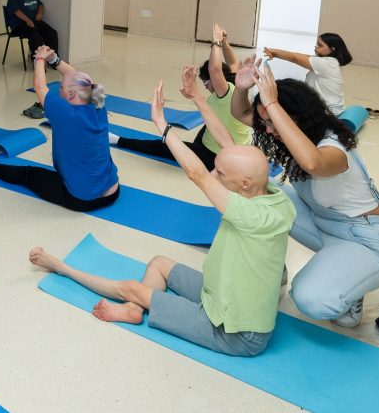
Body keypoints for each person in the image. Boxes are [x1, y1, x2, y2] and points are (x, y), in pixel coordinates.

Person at [29, 77, 295, 356]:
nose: (215, 175)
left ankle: (61, 267)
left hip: (235, 331)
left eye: (221, 173)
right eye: (216, 170)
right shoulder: (270, 193)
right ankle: (134, 312)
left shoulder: (253, 216)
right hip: (219, 292)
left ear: (243, 184)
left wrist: (162, 124)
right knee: (158, 264)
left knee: (132, 288)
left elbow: (198, 174)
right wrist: (199, 99)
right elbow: (227, 145)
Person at [231, 55, 379, 327]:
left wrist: (273, 103)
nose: (268, 129)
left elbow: (313, 162)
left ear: (296, 118)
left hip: (366, 240)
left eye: (273, 121)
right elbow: (241, 114)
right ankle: (275, 273)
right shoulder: (291, 134)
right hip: (322, 223)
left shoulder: (333, 147)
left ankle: (352, 287)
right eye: (266, 122)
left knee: (310, 299)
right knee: (252, 189)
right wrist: (241, 87)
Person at [0, 46, 119, 212]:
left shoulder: (66, 112)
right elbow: (75, 77)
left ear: (70, 95)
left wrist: (39, 58)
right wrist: (53, 59)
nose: (59, 90)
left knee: (27, 175)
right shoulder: (97, 103)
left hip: (81, 199)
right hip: (112, 191)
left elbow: (40, 87)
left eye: (61, 87)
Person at [112, 24, 251, 170]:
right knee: (204, 127)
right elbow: (233, 63)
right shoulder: (233, 81)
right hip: (219, 141)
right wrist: (224, 42)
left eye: (206, 82)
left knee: (167, 147)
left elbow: (215, 69)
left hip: (219, 155)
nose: (205, 86)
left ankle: (119, 141)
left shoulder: (226, 92)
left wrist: (216, 41)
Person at [7, 0, 61, 119]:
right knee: (36, 37)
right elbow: (17, 12)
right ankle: (38, 62)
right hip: (21, 25)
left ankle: (53, 61)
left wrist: (39, 14)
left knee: (52, 33)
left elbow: (41, 5)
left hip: (36, 21)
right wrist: (28, 20)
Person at [263, 33, 352, 115]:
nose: (316, 46)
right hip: (330, 109)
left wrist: (273, 52)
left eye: (320, 45)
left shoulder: (327, 63)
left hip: (327, 111)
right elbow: (300, 56)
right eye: (317, 43)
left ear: (332, 50)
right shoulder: (328, 61)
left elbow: (294, 58)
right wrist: (275, 54)